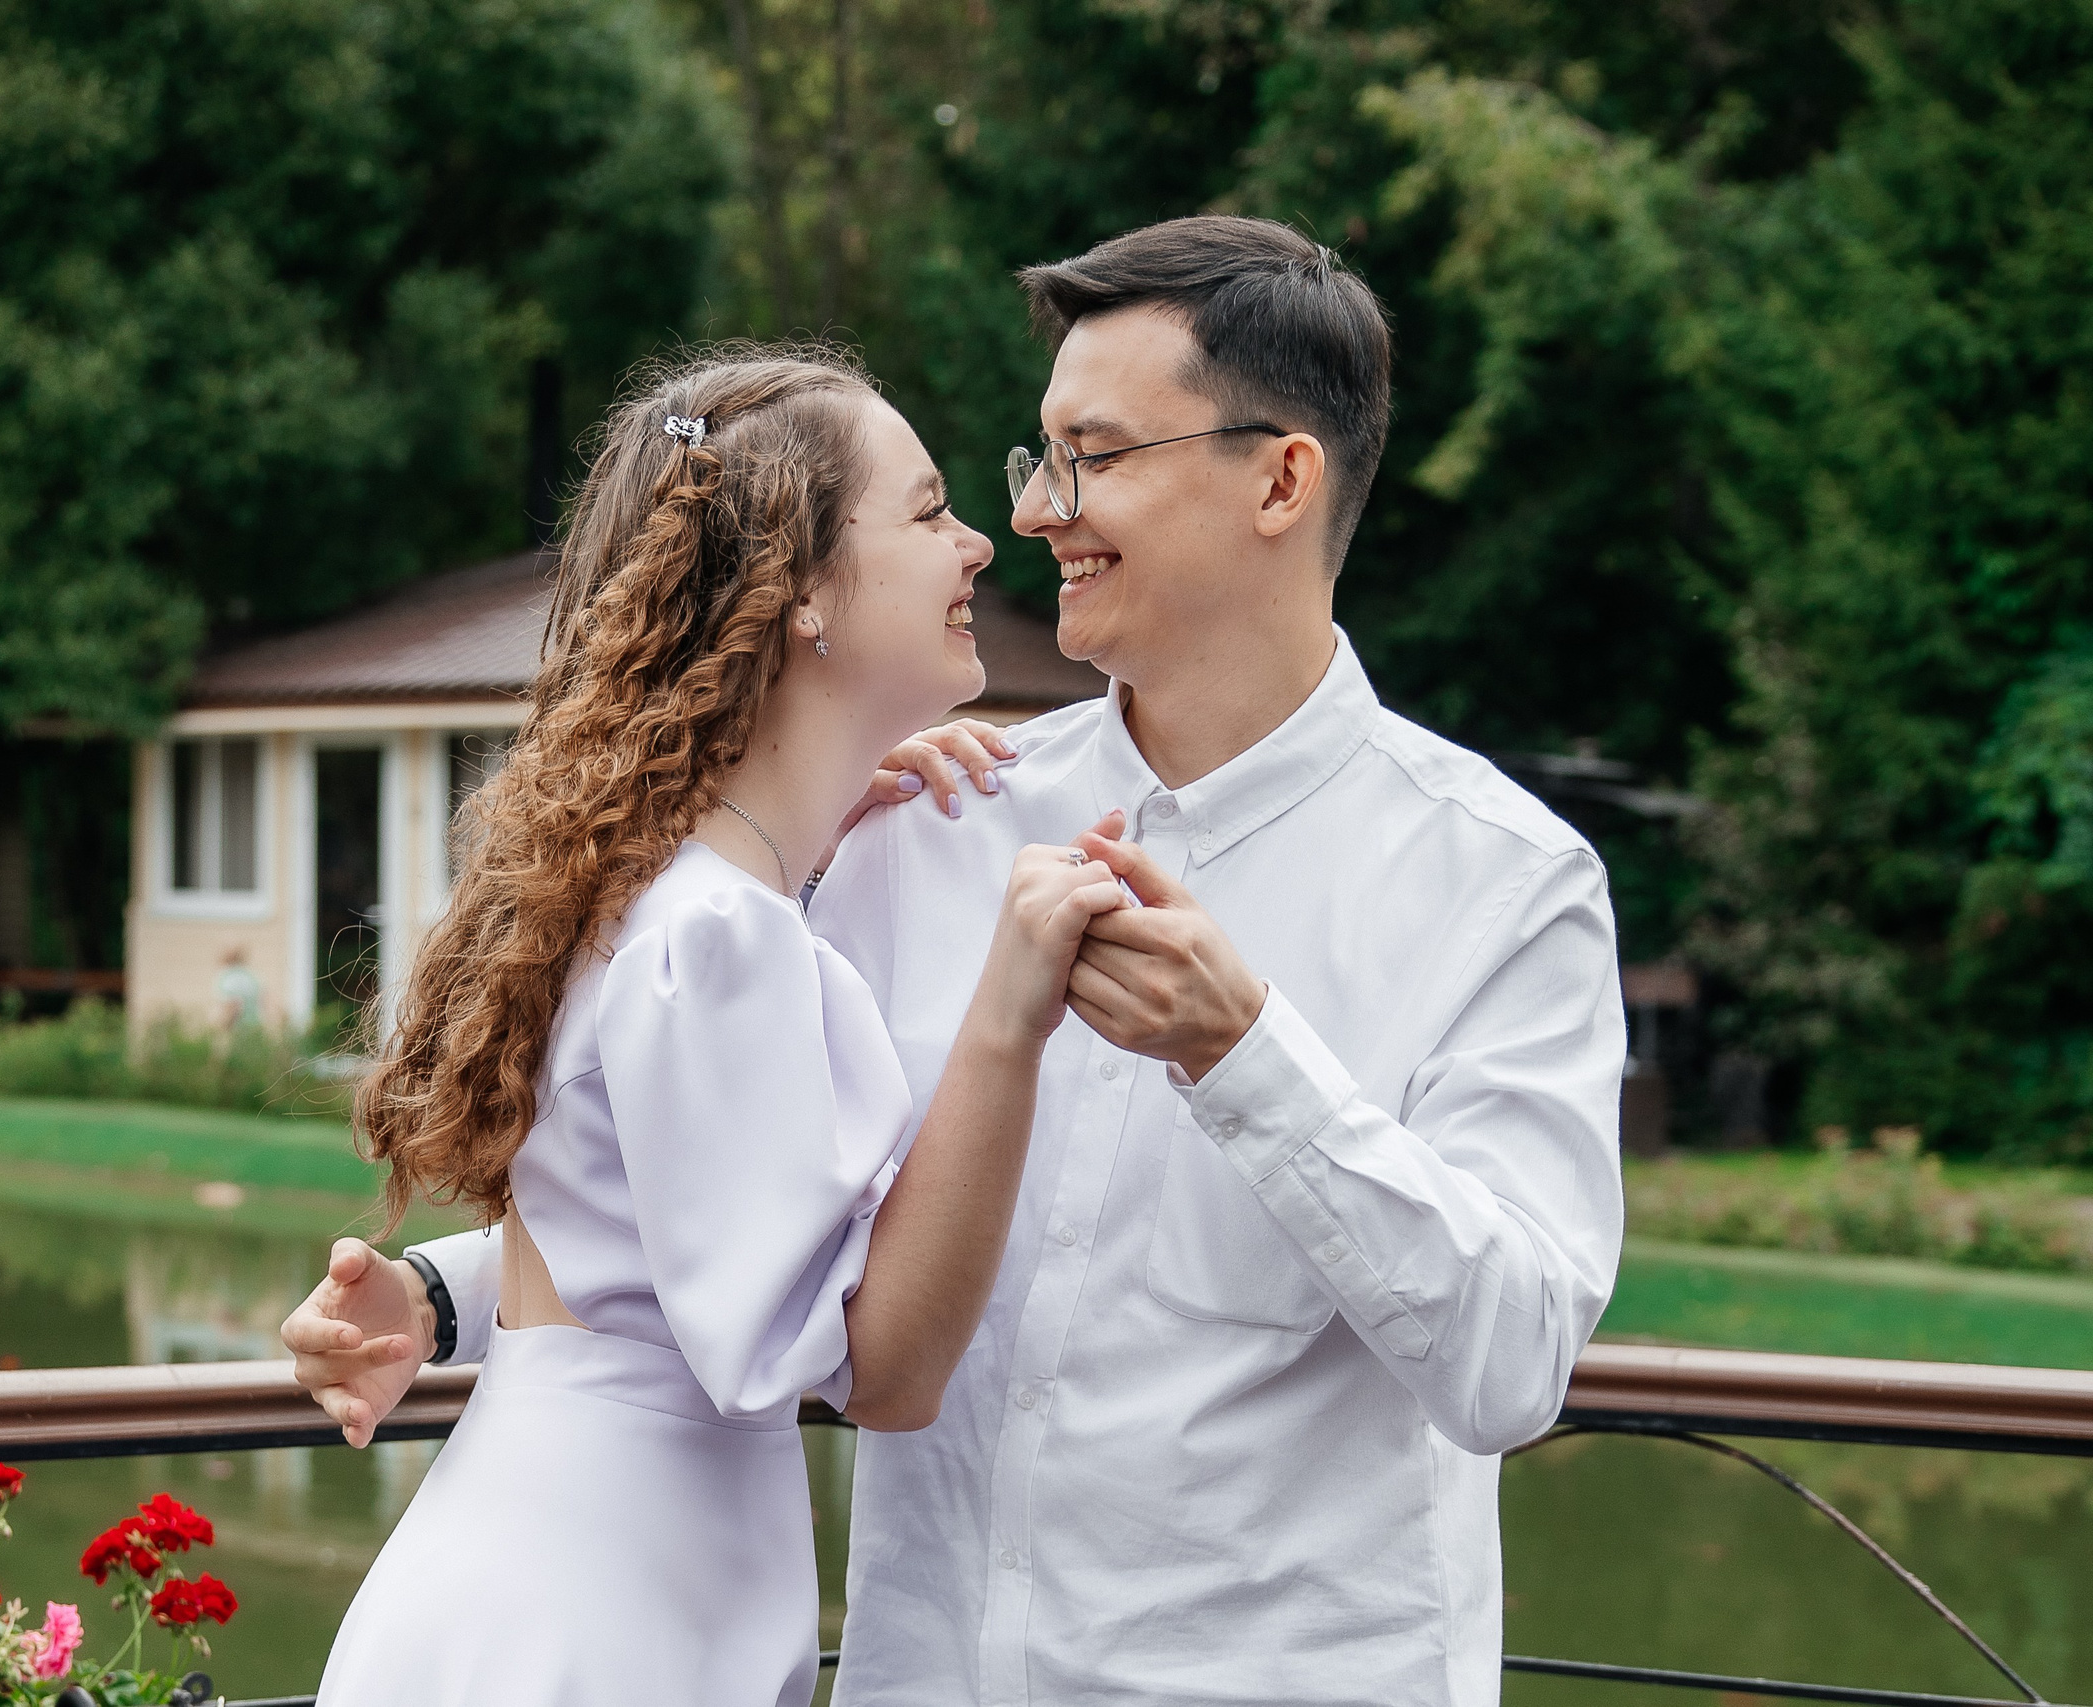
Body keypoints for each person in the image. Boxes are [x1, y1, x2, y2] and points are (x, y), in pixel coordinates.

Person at [289, 218, 1626, 1706]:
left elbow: (1513, 1366)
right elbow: (748, 1195)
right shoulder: (923, 824)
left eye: (1094, 455)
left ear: (1282, 477)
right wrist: (453, 1298)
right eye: (1030, 461)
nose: (1040, 512)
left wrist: (1245, 1055)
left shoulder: (1503, 884)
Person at [307, 347, 1130, 1707]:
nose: (983, 542)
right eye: (928, 512)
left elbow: (616, 1253)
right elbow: (886, 1368)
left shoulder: (672, 899)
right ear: (802, 589)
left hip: (539, 1592)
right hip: (603, 1633)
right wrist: (1009, 1007)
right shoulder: (724, 935)